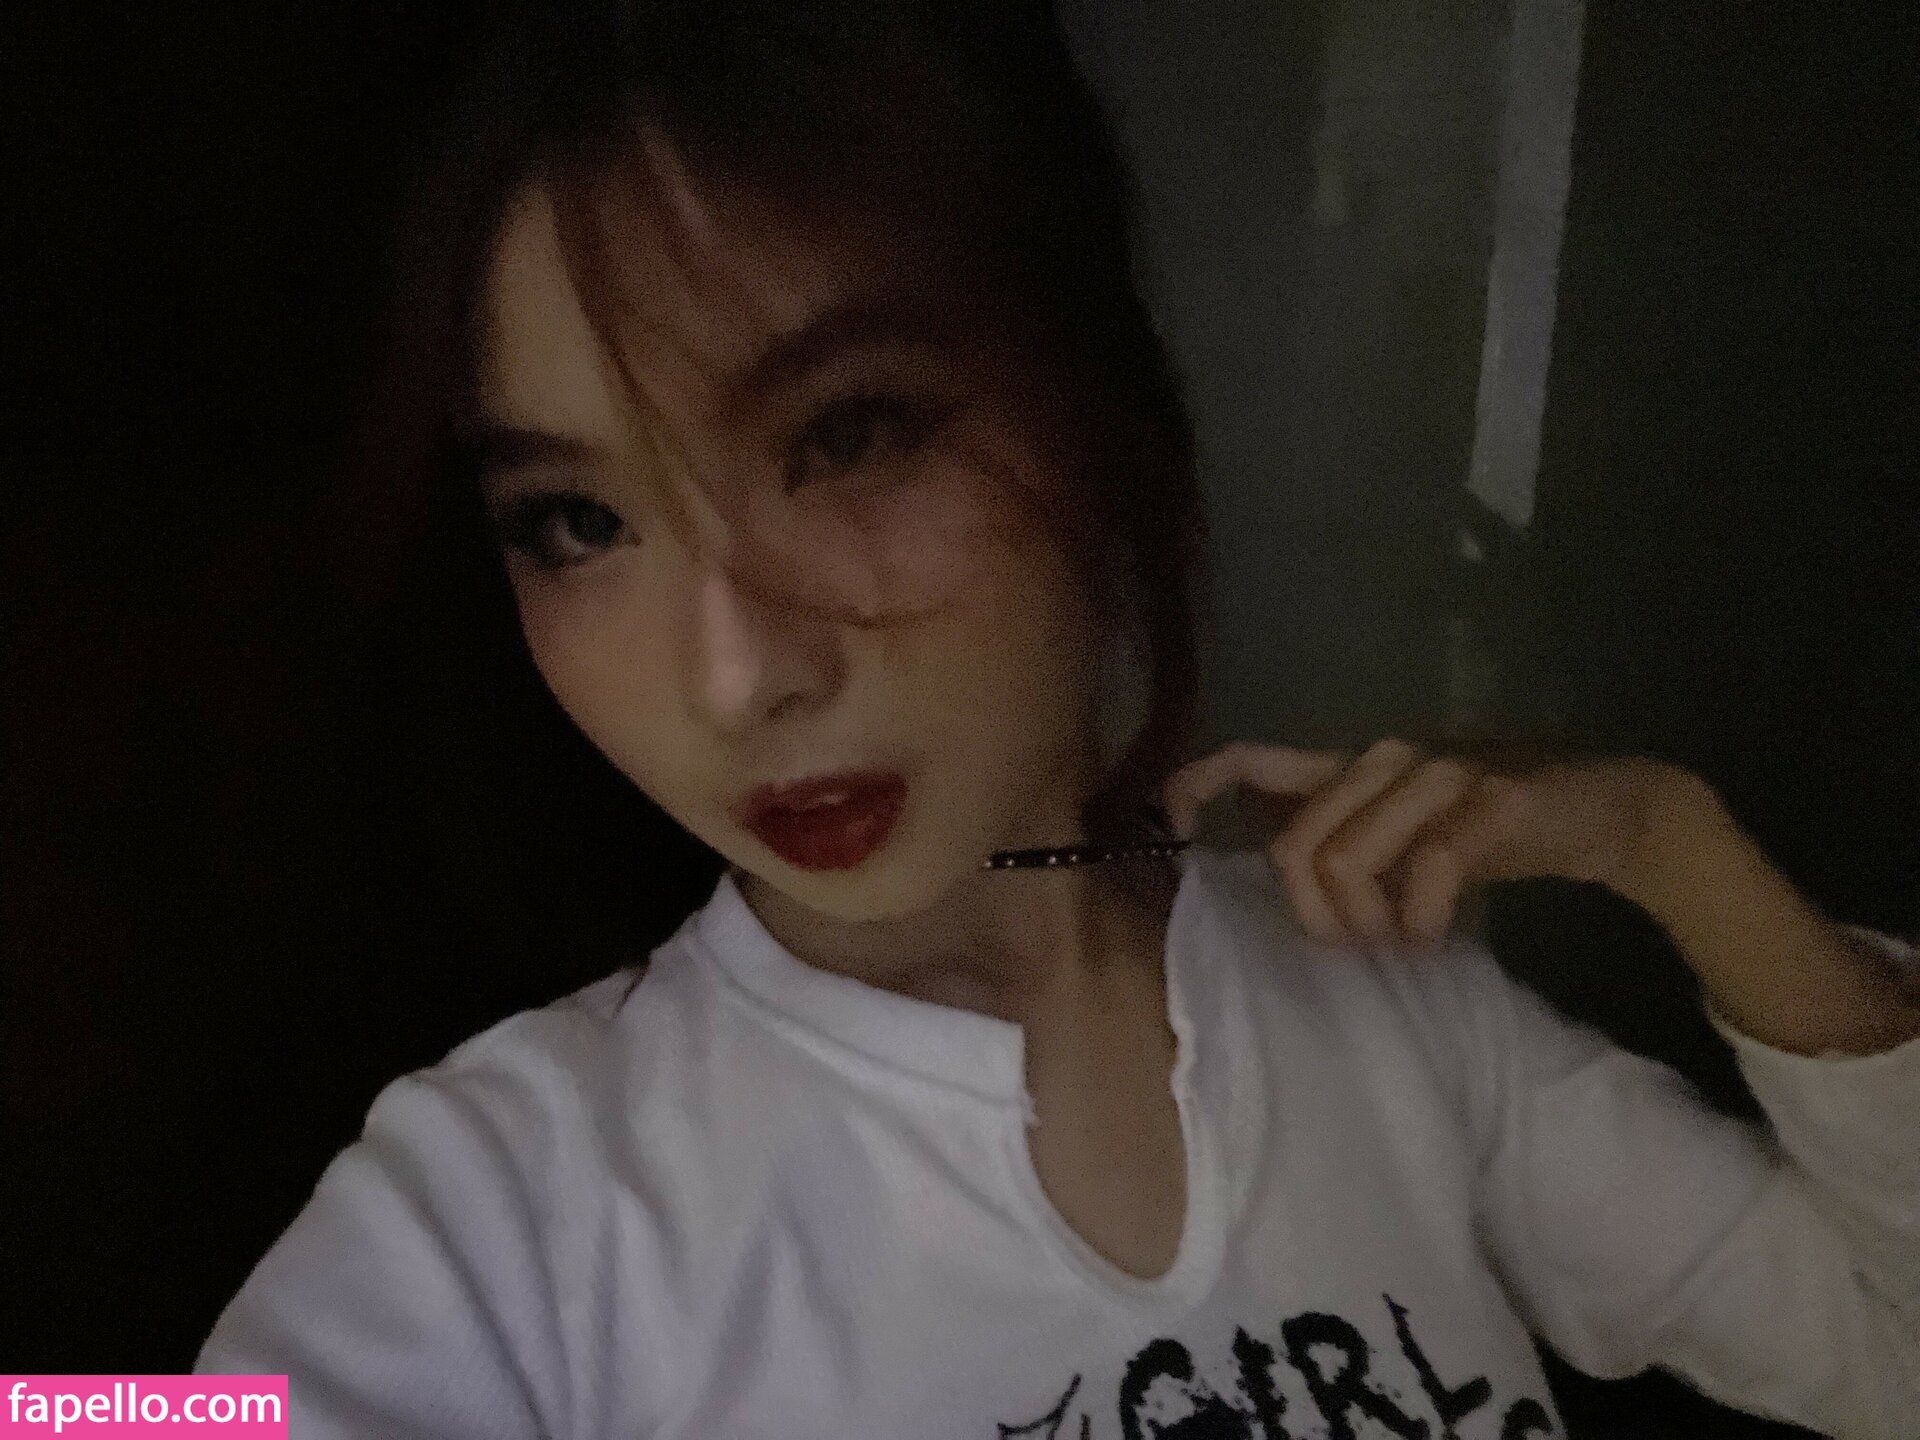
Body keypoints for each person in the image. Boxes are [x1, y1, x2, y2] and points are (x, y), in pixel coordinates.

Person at [197, 1, 1920, 1434]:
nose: (735, 675)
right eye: (578, 521)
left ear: (1089, 405)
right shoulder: (511, 1205)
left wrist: (1666, 841)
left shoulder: (1391, 1018)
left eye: (849, 436)